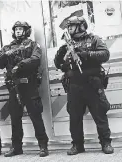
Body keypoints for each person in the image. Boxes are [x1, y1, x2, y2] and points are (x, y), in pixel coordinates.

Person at [54, 16, 114, 155]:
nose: (69, 29)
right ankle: (77, 145)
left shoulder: (94, 39)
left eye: (72, 26)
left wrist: (87, 54)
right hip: (74, 85)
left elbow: (105, 54)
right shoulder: (67, 44)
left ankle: (106, 142)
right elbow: (58, 64)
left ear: (81, 26)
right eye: (68, 27)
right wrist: (60, 54)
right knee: (74, 117)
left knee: (99, 114)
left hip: (92, 83)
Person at [0, 21, 49, 157]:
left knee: (36, 116)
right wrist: (5, 55)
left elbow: (36, 59)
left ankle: (43, 146)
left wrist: (20, 65)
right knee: (15, 118)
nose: (18, 31)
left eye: (21, 29)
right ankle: (16, 147)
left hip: (29, 85)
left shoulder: (32, 44)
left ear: (26, 31)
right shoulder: (8, 47)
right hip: (14, 87)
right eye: (16, 29)